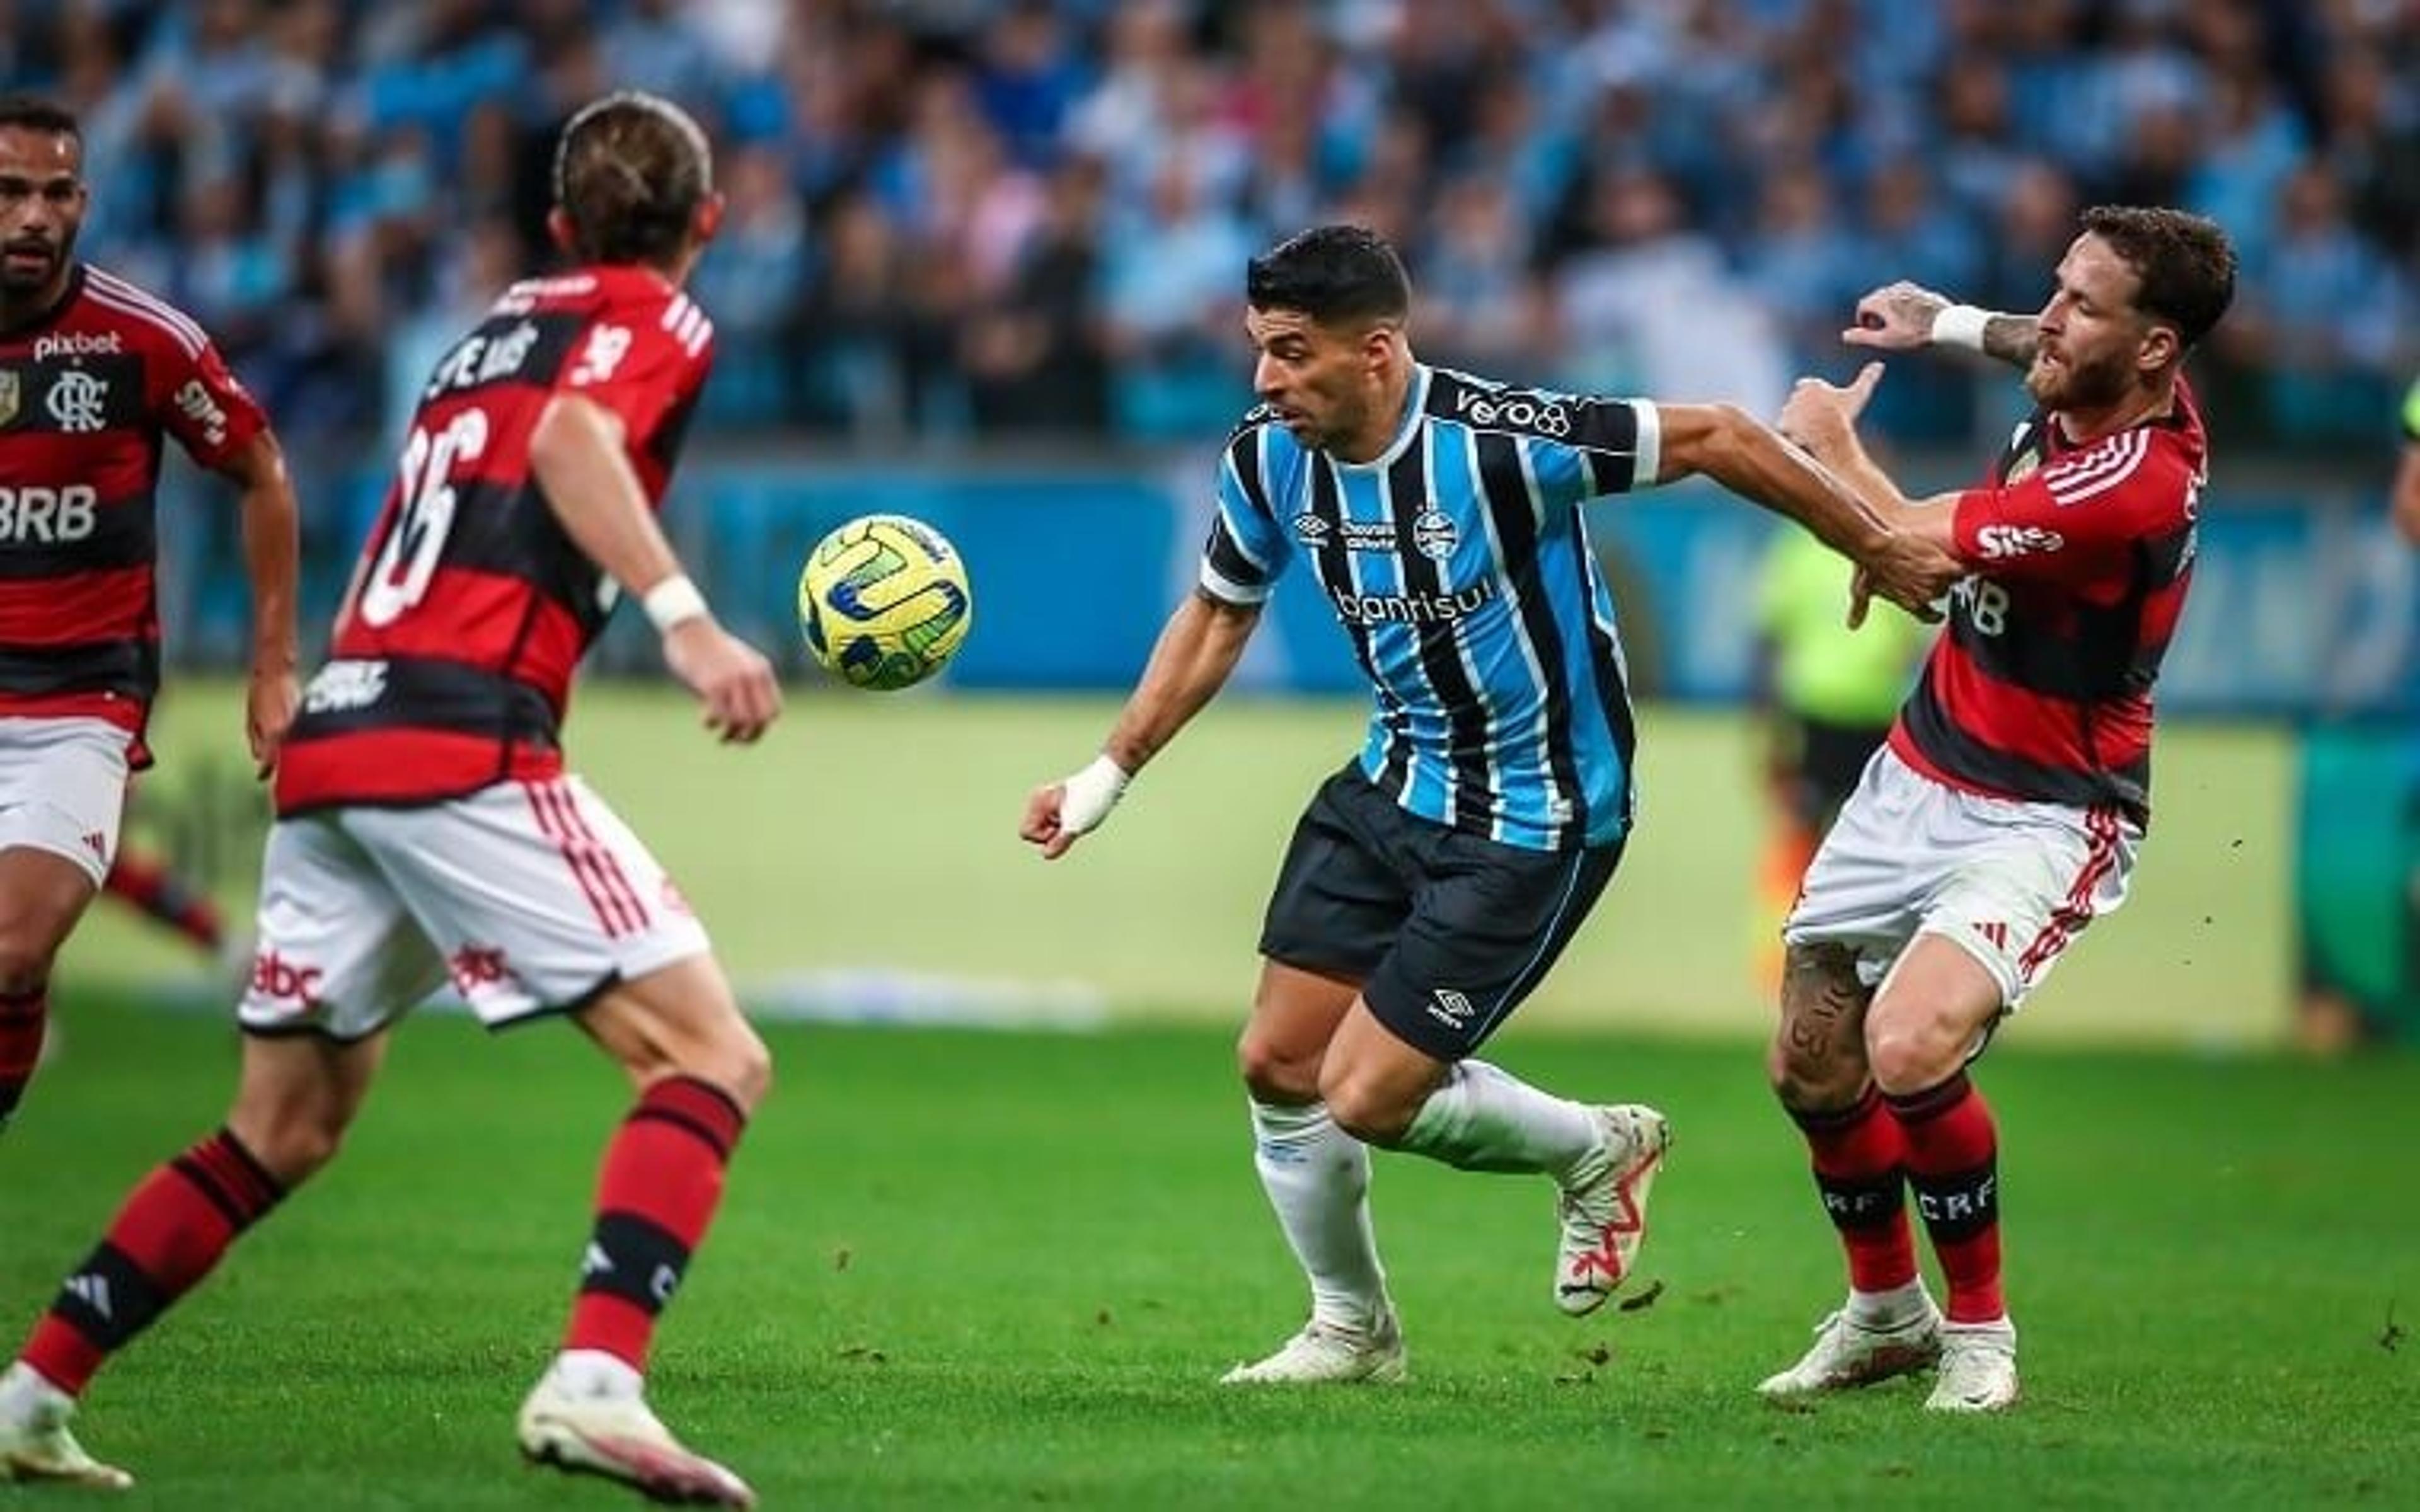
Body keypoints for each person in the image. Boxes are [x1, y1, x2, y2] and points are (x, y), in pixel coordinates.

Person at [0, 91, 781, 1505]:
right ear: (707, 226)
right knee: (709, 1058)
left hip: (343, 734)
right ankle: (595, 1384)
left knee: (278, 1130)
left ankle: (32, 1389)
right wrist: (686, 618)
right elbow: (568, 449)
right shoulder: (662, 319)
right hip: (459, 736)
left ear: (553, 225)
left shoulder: (481, 333)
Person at [1019, 224, 1954, 1383]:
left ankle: (1597, 1149)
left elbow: (1717, 433)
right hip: (1391, 782)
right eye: (1261, 349)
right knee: (1276, 1062)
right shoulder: (1268, 456)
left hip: (1536, 815)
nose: (1267, 378)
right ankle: (1352, 1331)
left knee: (1362, 1093)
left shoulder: (1503, 440)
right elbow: (1220, 610)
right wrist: (1107, 774)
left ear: (1378, 351)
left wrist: (1876, 541)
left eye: (1294, 352)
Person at [1757, 205, 2237, 1412]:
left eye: (2083, 302)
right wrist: (1947, 321)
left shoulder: (2130, 485)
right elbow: (2038, 340)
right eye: (2058, 287)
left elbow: (1905, 551)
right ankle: (1883, 1314)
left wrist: (1817, 447)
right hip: (1920, 767)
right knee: (1811, 1064)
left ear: (2156, 350)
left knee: (1909, 1043)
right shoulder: (2095, 374)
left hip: (2050, 810)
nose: (2053, 316)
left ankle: (1980, 1334)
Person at [0, 94, 299, 1132]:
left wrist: (271, 664)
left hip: (80, 698)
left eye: (54, 193)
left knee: (14, 948)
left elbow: (261, 471)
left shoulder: (141, 341)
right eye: (10, 193)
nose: (34, 216)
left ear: (83, 202)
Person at [1749, 527, 1930, 985]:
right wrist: (1771, 733)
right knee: (1803, 839)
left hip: (1876, 722)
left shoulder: (1888, 546)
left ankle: (1870, 966)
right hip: (1815, 716)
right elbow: (1770, 644)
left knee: (1876, 849)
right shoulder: (1796, 552)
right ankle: (1782, 963)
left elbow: (1911, 649)